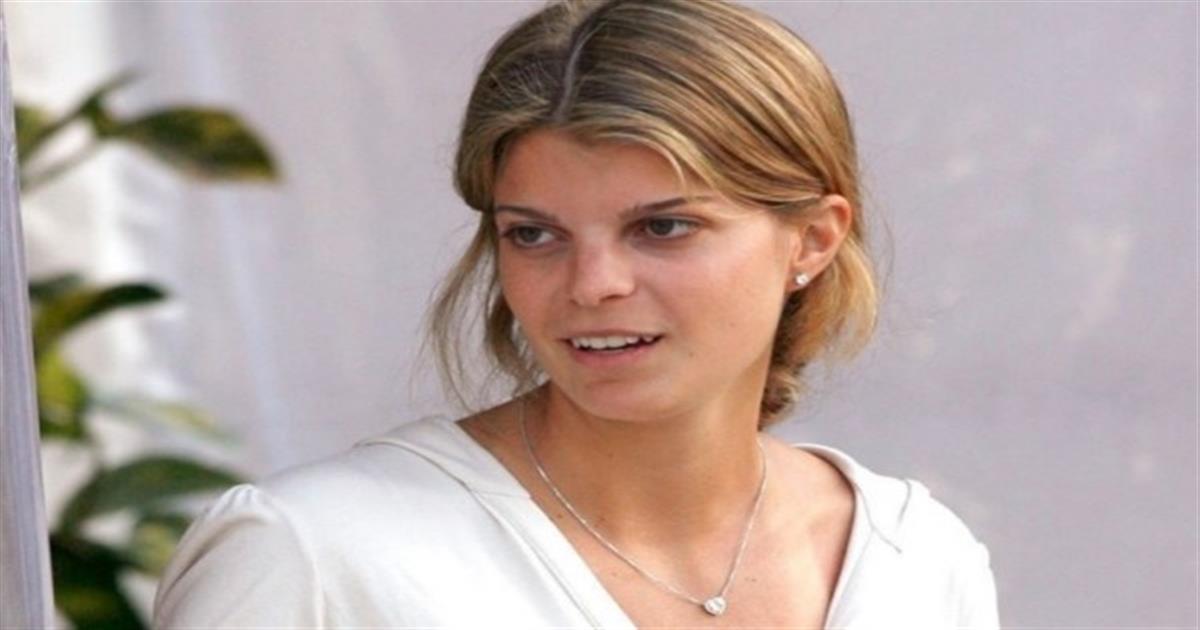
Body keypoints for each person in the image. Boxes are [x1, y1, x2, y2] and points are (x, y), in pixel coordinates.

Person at [153, 0, 999, 628]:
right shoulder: (314, 556)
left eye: (662, 227)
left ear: (811, 240)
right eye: (535, 234)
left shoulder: (917, 563)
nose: (592, 284)